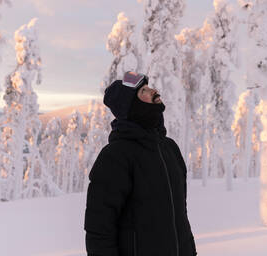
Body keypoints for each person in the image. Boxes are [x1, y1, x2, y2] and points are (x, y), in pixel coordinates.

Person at [84, 71, 197, 256]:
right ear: (132, 106)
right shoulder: (115, 155)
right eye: (143, 90)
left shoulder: (170, 148)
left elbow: (180, 216)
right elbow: (99, 227)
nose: (153, 90)